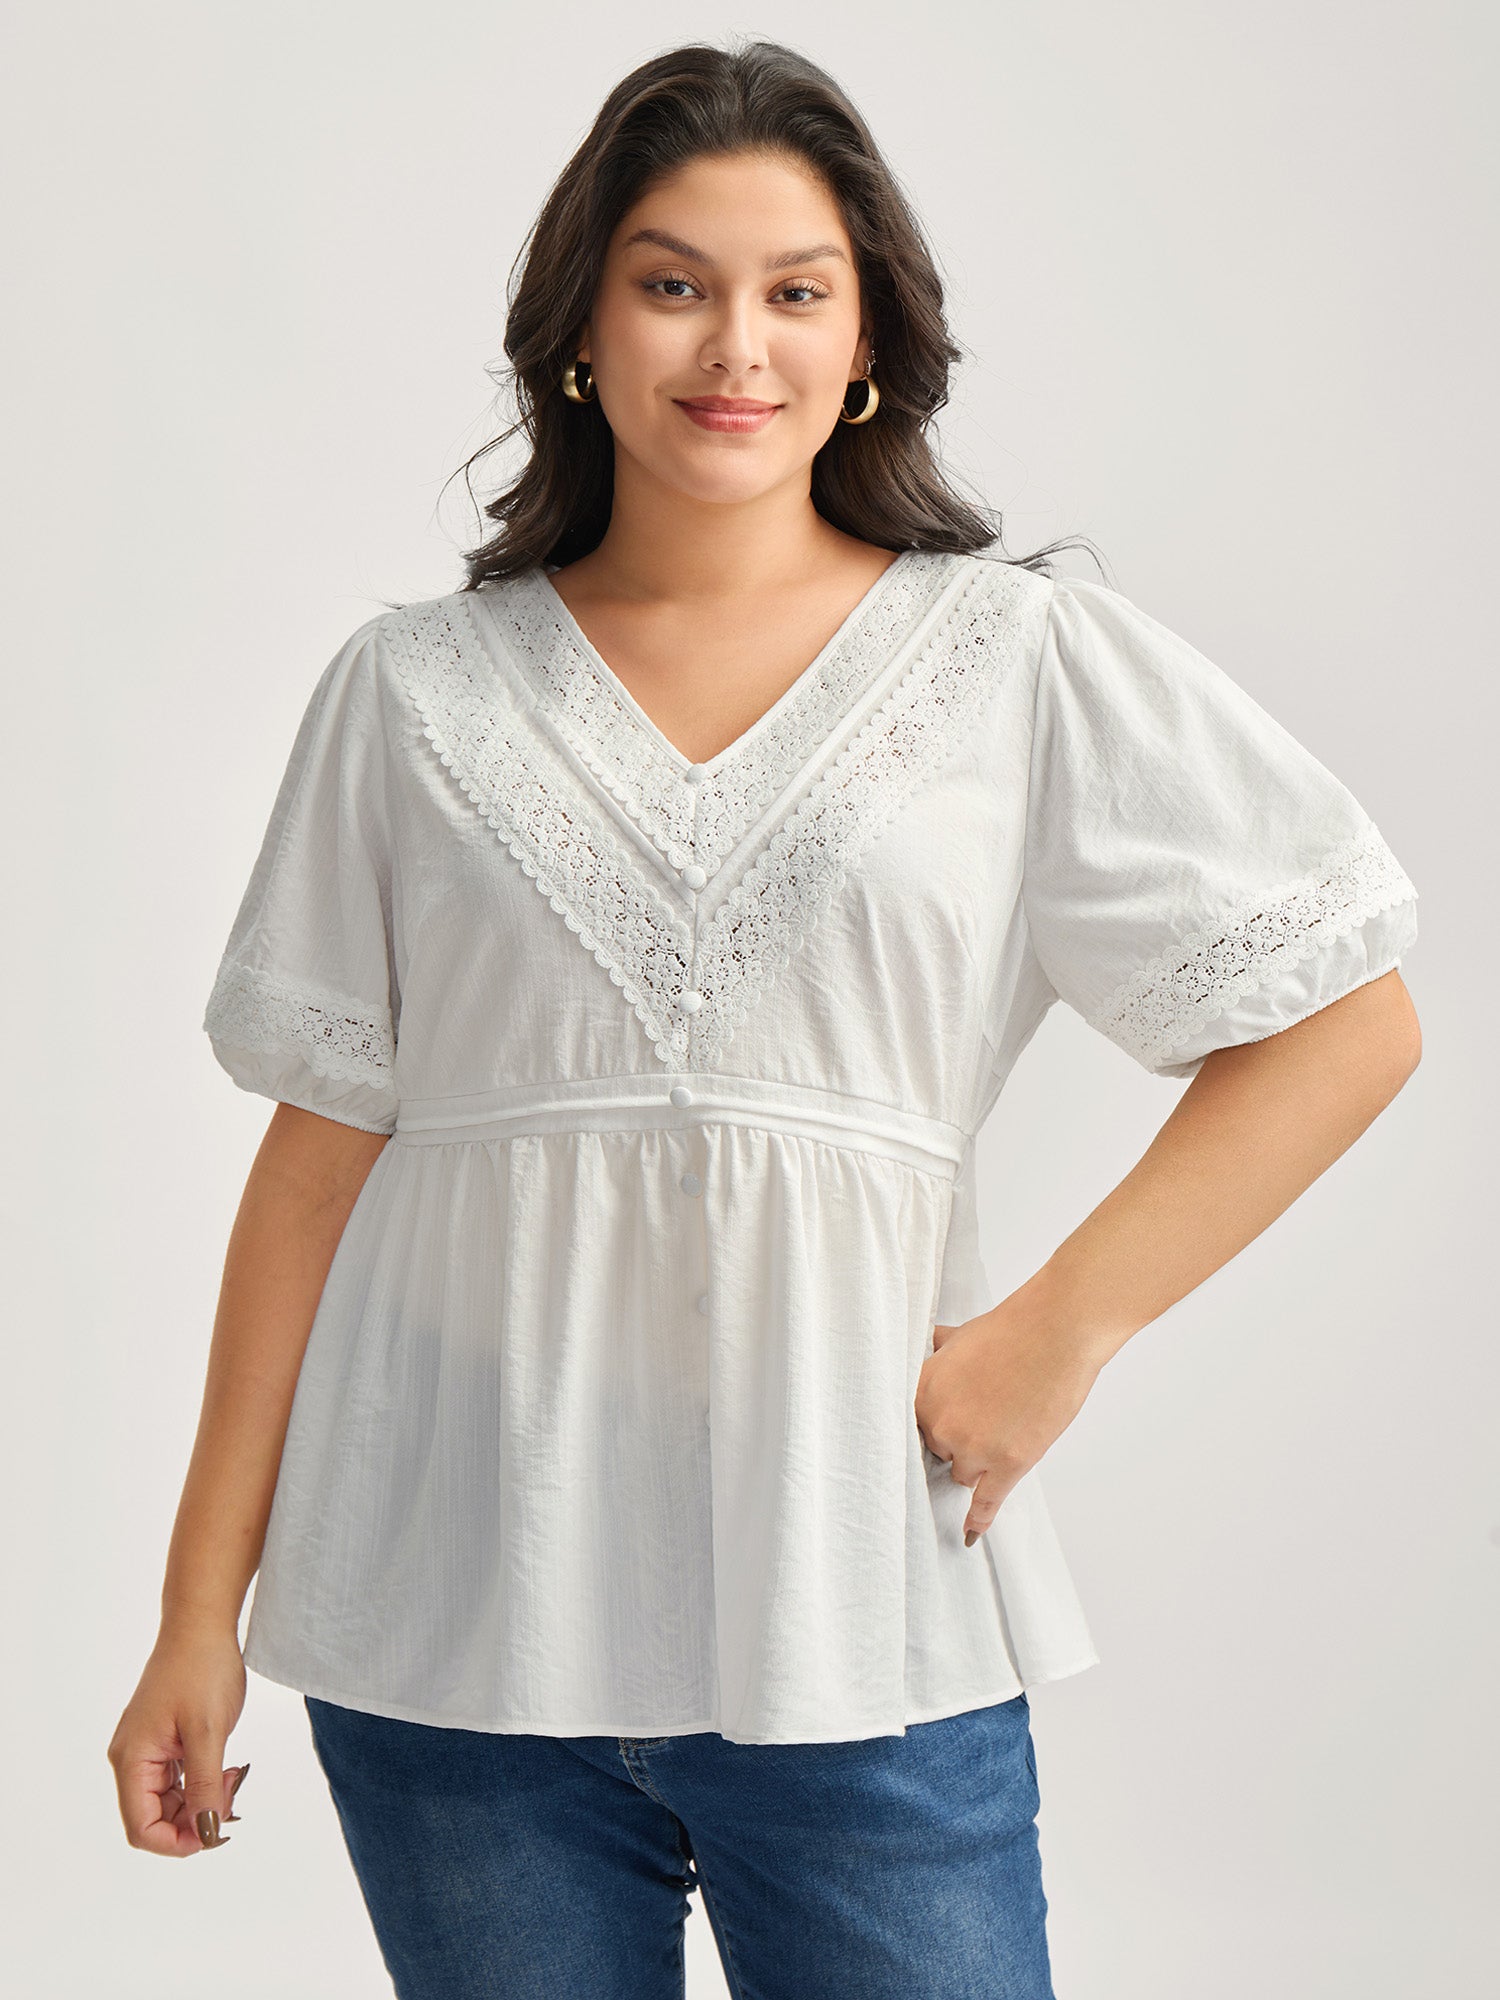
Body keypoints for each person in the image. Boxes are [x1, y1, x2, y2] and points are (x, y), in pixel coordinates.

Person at [106, 36, 1422, 2000]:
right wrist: (192, 1613)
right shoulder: (409, 694)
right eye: (674, 284)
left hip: (858, 1619)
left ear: (868, 337)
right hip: (451, 1640)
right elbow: (316, 1158)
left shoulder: (1015, 658)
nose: (737, 344)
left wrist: (1057, 1333)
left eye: (798, 290)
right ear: (581, 329)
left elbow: (1345, 1019)